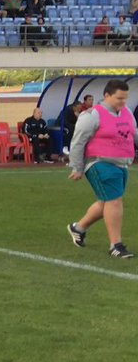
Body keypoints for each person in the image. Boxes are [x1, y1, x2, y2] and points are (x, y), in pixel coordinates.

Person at [67, 79, 136, 258]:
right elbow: (78, 141)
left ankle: (78, 228)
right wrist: (77, 167)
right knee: (114, 201)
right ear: (107, 95)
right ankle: (116, 245)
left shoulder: (127, 112)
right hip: (99, 162)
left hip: (121, 163)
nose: (123, 102)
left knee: (106, 201)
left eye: (125, 98)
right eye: (119, 98)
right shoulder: (92, 115)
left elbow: (134, 133)